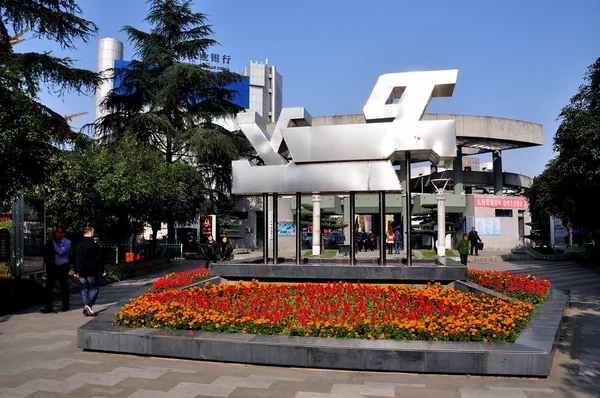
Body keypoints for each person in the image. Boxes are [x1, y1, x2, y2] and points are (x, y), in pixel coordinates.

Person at [41, 226, 72, 313]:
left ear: (63, 234)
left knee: (64, 286)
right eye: (56, 232)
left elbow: (61, 252)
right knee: (49, 286)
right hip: (53, 267)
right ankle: (48, 307)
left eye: (59, 232)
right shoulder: (52, 242)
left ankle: (65, 305)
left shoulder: (67, 242)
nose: (57, 234)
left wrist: (54, 244)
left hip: (62, 266)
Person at [74, 227, 103, 317]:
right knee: (95, 288)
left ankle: (86, 311)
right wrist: (102, 270)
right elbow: (98, 259)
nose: (94, 234)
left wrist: (76, 270)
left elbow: (76, 259)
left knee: (84, 290)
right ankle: (88, 305)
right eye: (93, 232)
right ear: (89, 233)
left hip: (81, 271)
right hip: (91, 271)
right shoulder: (94, 246)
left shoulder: (79, 245)